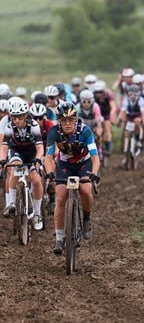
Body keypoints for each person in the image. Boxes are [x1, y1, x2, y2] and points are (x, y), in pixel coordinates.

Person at [44, 102, 100, 255]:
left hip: (84, 163)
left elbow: (95, 157)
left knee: (85, 189)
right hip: (65, 164)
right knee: (61, 196)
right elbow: (48, 157)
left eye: (70, 119)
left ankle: (87, 219)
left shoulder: (86, 131)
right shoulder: (54, 132)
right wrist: (49, 172)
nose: (67, 123)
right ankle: (60, 238)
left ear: (76, 119)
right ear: (59, 121)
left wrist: (94, 174)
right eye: (63, 120)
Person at [0, 97, 44, 231]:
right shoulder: (9, 127)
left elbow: (40, 147)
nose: (17, 120)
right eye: (14, 117)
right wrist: (2, 160)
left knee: (36, 180)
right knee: (15, 169)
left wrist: (37, 159)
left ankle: (37, 213)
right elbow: (5, 146)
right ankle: (12, 203)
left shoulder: (34, 126)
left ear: (25, 116)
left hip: (32, 152)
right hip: (17, 151)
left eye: (19, 117)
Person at [117, 84, 144, 156]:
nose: (132, 96)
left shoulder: (141, 100)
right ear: (128, 94)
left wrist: (143, 121)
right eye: (131, 94)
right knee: (125, 130)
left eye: (134, 94)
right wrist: (119, 120)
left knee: (137, 122)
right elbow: (122, 111)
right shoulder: (126, 100)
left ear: (137, 94)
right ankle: (125, 146)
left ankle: (138, 139)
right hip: (129, 116)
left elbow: (142, 112)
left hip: (138, 116)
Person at [77, 89, 103, 160]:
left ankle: (99, 150)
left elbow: (99, 122)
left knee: (98, 136)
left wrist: (98, 132)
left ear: (92, 101)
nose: (86, 104)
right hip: (83, 127)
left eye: (89, 101)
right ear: (81, 101)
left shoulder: (96, 107)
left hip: (93, 126)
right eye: (84, 101)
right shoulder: (77, 108)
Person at [93, 80, 116, 156]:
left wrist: (111, 115)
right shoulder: (93, 96)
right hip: (97, 115)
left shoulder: (109, 95)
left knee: (106, 127)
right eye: (97, 92)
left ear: (104, 91)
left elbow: (113, 107)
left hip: (106, 114)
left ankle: (107, 147)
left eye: (100, 92)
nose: (98, 94)